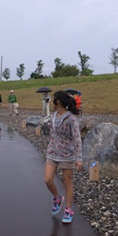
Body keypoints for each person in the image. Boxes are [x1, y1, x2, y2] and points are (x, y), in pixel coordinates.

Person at [44, 90, 82, 224]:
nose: (52, 102)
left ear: (58, 101)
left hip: (67, 154)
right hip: (53, 152)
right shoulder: (54, 116)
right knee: (48, 180)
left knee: (68, 182)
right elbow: (52, 134)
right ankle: (57, 198)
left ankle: (68, 210)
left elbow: (77, 139)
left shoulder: (71, 118)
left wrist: (78, 158)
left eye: (54, 99)